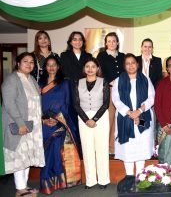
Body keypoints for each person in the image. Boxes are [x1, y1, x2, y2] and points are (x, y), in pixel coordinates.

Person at [2, 52, 45, 196]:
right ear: (18, 63)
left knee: (27, 157)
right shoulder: (12, 79)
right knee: (19, 157)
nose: (29, 64)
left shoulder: (31, 79)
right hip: (19, 124)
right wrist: (20, 123)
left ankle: (24, 187)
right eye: (25, 61)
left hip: (33, 126)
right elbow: (9, 103)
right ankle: (20, 189)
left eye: (32, 62)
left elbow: (36, 102)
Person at [39, 56, 82, 194]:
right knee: (46, 153)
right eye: (48, 65)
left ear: (58, 67)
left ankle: (60, 182)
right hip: (44, 121)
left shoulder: (64, 83)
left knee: (57, 150)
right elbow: (36, 104)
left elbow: (68, 103)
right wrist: (44, 118)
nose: (51, 67)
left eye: (54, 65)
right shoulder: (39, 83)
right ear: (45, 67)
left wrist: (58, 118)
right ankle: (47, 183)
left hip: (61, 121)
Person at [112, 53, 155, 177]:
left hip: (142, 119)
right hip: (125, 119)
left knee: (141, 146)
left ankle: (140, 177)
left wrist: (139, 112)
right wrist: (130, 113)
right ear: (124, 66)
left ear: (137, 64)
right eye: (127, 63)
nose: (131, 65)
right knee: (128, 148)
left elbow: (151, 98)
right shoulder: (119, 80)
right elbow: (116, 99)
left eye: (133, 63)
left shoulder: (145, 79)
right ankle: (129, 178)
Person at [73, 58, 110, 189]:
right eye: (87, 66)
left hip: (100, 117)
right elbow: (76, 104)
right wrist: (86, 119)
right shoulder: (78, 82)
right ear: (84, 69)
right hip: (83, 117)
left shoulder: (103, 82)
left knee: (101, 148)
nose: (90, 69)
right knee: (87, 149)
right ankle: (90, 180)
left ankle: (103, 180)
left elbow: (106, 103)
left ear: (97, 68)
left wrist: (94, 119)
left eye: (93, 66)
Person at [96, 32, 125, 155]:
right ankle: (106, 147)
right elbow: (98, 73)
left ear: (117, 43)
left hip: (123, 90)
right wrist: (109, 82)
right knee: (109, 119)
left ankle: (116, 147)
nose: (112, 43)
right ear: (106, 43)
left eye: (114, 41)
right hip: (109, 89)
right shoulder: (101, 56)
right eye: (109, 41)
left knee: (121, 118)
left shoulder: (123, 56)